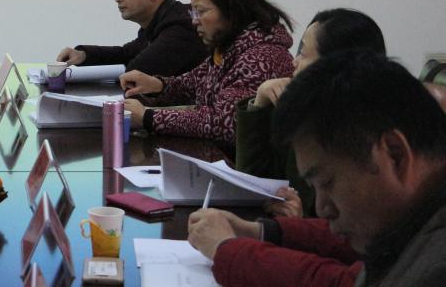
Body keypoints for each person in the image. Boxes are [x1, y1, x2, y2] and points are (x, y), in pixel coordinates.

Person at [188, 51, 446, 286]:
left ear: (394, 155)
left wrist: (228, 250)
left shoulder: (433, 271)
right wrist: (259, 231)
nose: (322, 208)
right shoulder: (404, 222)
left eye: (327, 183)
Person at [235, 8, 386, 218]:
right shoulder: (306, 117)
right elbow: (254, 181)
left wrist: (301, 222)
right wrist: (259, 102)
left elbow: (350, 228)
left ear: (333, 65)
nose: (294, 62)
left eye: (303, 53)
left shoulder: (364, 141)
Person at [120, 0, 294, 145]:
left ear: (231, 10)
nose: (194, 20)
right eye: (193, 12)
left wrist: (148, 117)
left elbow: (224, 122)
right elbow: (194, 82)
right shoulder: (230, 47)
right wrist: (158, 85)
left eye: (201, 11)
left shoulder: (261, 57)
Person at [56, 0, 206, 76]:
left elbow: (137, 72)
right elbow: (126, 53)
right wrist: (84, 55)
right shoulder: (158, 22)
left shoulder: (182, 25)